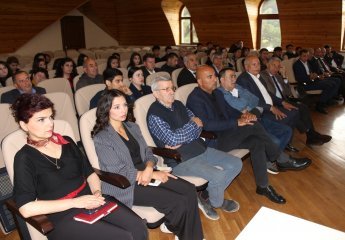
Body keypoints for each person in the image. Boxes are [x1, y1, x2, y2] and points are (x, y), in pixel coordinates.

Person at [11, 93, 147, 240]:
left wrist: (96, 192)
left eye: (51, 117)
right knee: (122, 237)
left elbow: (90, 174)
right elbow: (25, 208)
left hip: (92, 200)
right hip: (62, 215)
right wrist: (75, 202)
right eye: (41, 120)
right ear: (24, 125)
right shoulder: (24, 158)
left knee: (138, 226)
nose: (50, 124)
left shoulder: (67, 142)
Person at [93, 90, 204, 240]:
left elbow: (148, 153)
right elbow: (116, 170)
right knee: (178, 200)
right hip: (125, 184)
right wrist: (150, 174)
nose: (123, 110)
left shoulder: (132, 127)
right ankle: (185, 234)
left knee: (189, 189)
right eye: (117, 107)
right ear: (106, 110)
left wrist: (150, 168)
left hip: (148, 173)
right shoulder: (102, 137)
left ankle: (183, 231)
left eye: (125, 105)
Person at [147, 76, 243, 221]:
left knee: (236, 163)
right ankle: (217, 202)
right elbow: (174, 139)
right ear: (156, 93)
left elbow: (200, 124)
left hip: (199, 148)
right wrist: (191, 128)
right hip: (179, 159)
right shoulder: (154, 115)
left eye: (172, 88)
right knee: (218, 175)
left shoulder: (178, 104)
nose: (171, 92)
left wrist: (185, 134)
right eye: (165, 89)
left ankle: (207, 199)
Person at [261, 58, 332, 145]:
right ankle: (311, 135)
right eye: (273, 65)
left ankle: (312, 135)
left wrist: (284, 77)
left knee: (304, 107)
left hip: (284, 100)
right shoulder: (262, 76)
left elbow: (288, 92)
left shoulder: (278, 76)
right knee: (297, 110)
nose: (276, 68)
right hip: (274, 103)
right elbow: (266, 94)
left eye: (278, 66)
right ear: (268, 64)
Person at [293, 49, 339, 114]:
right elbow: (300, 79)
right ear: (300, 56)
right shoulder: (297, 65)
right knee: (329, 85)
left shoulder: (307, 62)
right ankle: (320, 105)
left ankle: (328, 99)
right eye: (304, 56)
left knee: (336, 81)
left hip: (313, 81)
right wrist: (311, 77)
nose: (306, 58)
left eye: (307, 56)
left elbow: (312, 73)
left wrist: (317, 76)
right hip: (305, 85)